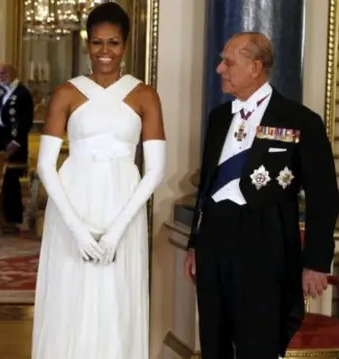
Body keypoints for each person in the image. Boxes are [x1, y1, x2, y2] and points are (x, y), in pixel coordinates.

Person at [183, 32, 338, 359]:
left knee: (259, 344)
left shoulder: (300, 121)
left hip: (265, 243)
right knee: (214, 339)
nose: (219, 68)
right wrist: (195, 242)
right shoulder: (219, 119)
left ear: (255, 67)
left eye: (228, 62)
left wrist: (316, 262)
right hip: (215, 241)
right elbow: (208, 185)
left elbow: (324, 194)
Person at [31, 3, 166, 358]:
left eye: (113, 43)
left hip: (124, 206)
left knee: (116, 297)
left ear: (126, 45)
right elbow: (46, 166)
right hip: (73, 204)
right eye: (97, 43)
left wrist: (116, 230)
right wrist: (76, 229)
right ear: (86, 44)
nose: (105, 52)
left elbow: (154, 170)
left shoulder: (145, 95)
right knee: (70, 293)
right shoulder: (66, 93)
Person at [0, 63, 34, 225]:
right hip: (2, 140)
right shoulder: (3, 92)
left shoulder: (22, 93)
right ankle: (4, 217)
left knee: (12, 180)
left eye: (3, 73)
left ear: (12, 73)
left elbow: (26, 120)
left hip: (15, 144)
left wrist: (16, 142)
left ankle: (14, 217)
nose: (1, 76)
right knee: (2, 181)